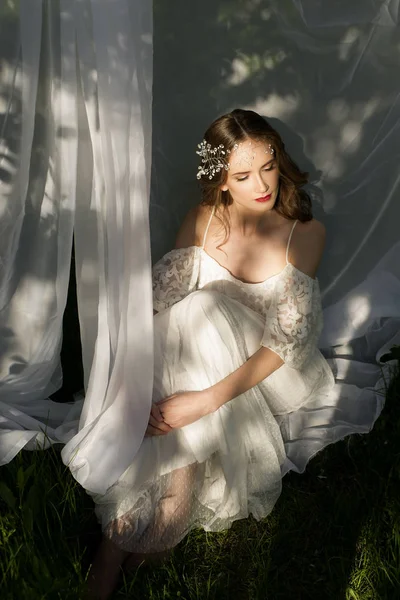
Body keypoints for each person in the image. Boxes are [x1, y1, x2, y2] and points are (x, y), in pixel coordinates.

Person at [85, 108, 347, 598]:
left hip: (265, 371)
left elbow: (284, 343)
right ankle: (124, 531)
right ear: (221, 182)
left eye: (269, 165)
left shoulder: (304, 233)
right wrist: (132, 386)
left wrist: (203, 401)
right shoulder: (203, 221)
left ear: (280, 160)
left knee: (202, 306)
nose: (262, 183)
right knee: (178, 315)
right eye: (243, 175)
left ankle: (155, 514)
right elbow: (157, 305)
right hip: (193, 363)